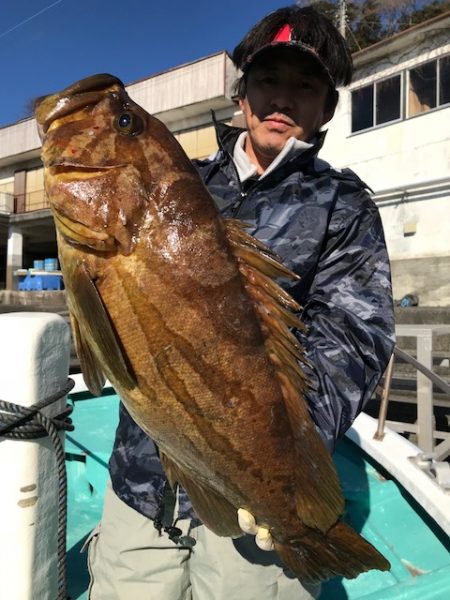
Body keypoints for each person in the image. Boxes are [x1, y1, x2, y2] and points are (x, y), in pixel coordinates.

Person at [87, 5, 395, 599]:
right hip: (141, 478)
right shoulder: (177, 182)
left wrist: (284, 459)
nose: (284, 99)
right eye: (268, 80)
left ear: (326, 109)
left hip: (254, 503)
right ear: (242, 95)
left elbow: (355, 337)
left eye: (305, 86)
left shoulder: (343, 205)